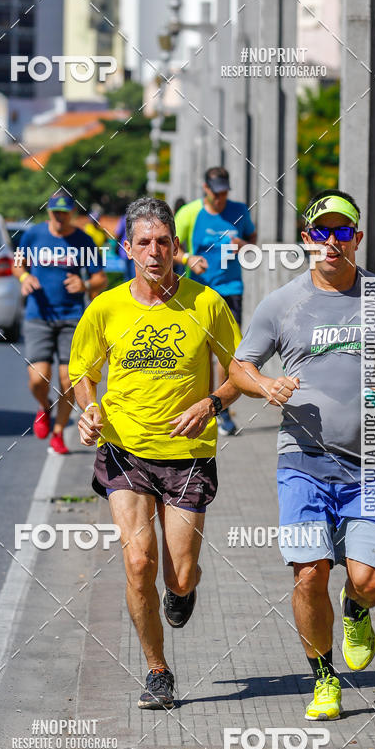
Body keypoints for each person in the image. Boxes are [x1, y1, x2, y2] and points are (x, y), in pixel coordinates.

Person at [229, 189, 375, 721]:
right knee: (308, 572)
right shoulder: (281, 304)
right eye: (322, 232)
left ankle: (356, 608)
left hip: (370, 462)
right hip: (302, 462)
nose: (332, 242)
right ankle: (324, 678)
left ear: (357, 239)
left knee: (370, 580)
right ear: (306, 240)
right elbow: (239, 367)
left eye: (343, 232)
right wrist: (264, 385)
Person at [69, 197, 241, 710]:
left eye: (163, 241)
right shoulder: (107, 308)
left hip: (187, 455)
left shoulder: (206, 303)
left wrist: (211, 404)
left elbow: (241, 372)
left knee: (178, 573)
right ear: (127, 248)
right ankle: (157, 671)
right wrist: (88, 410)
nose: (153, 250)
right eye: (143, 241)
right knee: (138, 562)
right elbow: (83, 373)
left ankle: (183, 591)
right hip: (125, 451)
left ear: (176, 248)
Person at [14, 190, 107, 455]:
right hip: (38, 315)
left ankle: (58, 433)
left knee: (69, 380)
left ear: (73, 214)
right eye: (56, 213)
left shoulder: (84, 241)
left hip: (71, 317)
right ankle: (44, 406)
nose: (60, 218)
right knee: (38, 377)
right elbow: (18, 265)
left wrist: (85, 284)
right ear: (49, 212)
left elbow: (101, 278)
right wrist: (24, 279)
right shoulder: (33, 236)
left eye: (65, 213)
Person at [175, 166, 257, 436]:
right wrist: (188, 259)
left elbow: (252, 242)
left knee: (229, 356)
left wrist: (243, 245)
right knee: (200, 352)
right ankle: (199, 405)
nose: (221, 199)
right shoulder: (188, 213)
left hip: (231, 289)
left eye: (224, 193)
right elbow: (171, 247)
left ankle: (219, 409)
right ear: (205, 189)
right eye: (216, 193)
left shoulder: (240, 210)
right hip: (197, 292)